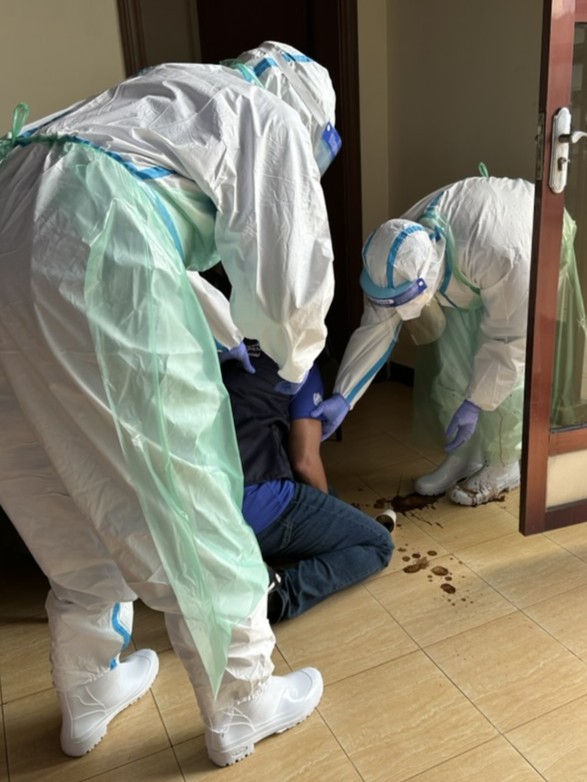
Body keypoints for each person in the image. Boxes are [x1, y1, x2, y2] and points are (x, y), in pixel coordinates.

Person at [0, 40, 340, 767]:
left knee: (49, 478)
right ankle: (244, 701)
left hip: (11, 218)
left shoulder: (160, 91)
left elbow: (126, 230)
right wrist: (297, 365)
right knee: (186, 484)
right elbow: (289, 280)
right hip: (93, 237)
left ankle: (88, 692)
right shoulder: (267, 116)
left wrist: (234, 331)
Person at [310, 176, 536, 506]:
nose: (394, 310)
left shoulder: (505, 255)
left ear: (424, 282)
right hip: (467, 265)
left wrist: (476, 402)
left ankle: (504, 463)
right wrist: (345, 395)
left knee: (507, 372)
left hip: (528, 237)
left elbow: (510, 340)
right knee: (452, 368)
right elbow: (378, 326)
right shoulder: (398, 248)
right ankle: (465, 455)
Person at [220, 341, 393, 622]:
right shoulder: (300, 361)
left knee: (327, 495)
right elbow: (305, 461)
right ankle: (279, 595)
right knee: (378, 544)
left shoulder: (221, 346)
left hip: (194, 505)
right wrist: (331, 529)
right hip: (253, 505)